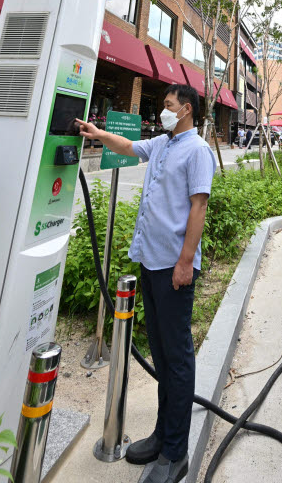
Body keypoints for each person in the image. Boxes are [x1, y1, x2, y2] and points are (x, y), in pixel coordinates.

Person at [76, 83, 216, 483]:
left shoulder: (197, 150)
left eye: (169, 106)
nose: (164, 111)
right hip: (151, 263)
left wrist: (186, 262)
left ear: (186, 110)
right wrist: (98, 134)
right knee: (160, 354)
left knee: (176, 357)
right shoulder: (163, 144)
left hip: (175, 268)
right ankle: (161, 435)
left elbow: (199, 206)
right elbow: (127, 147)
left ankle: (175, 453)